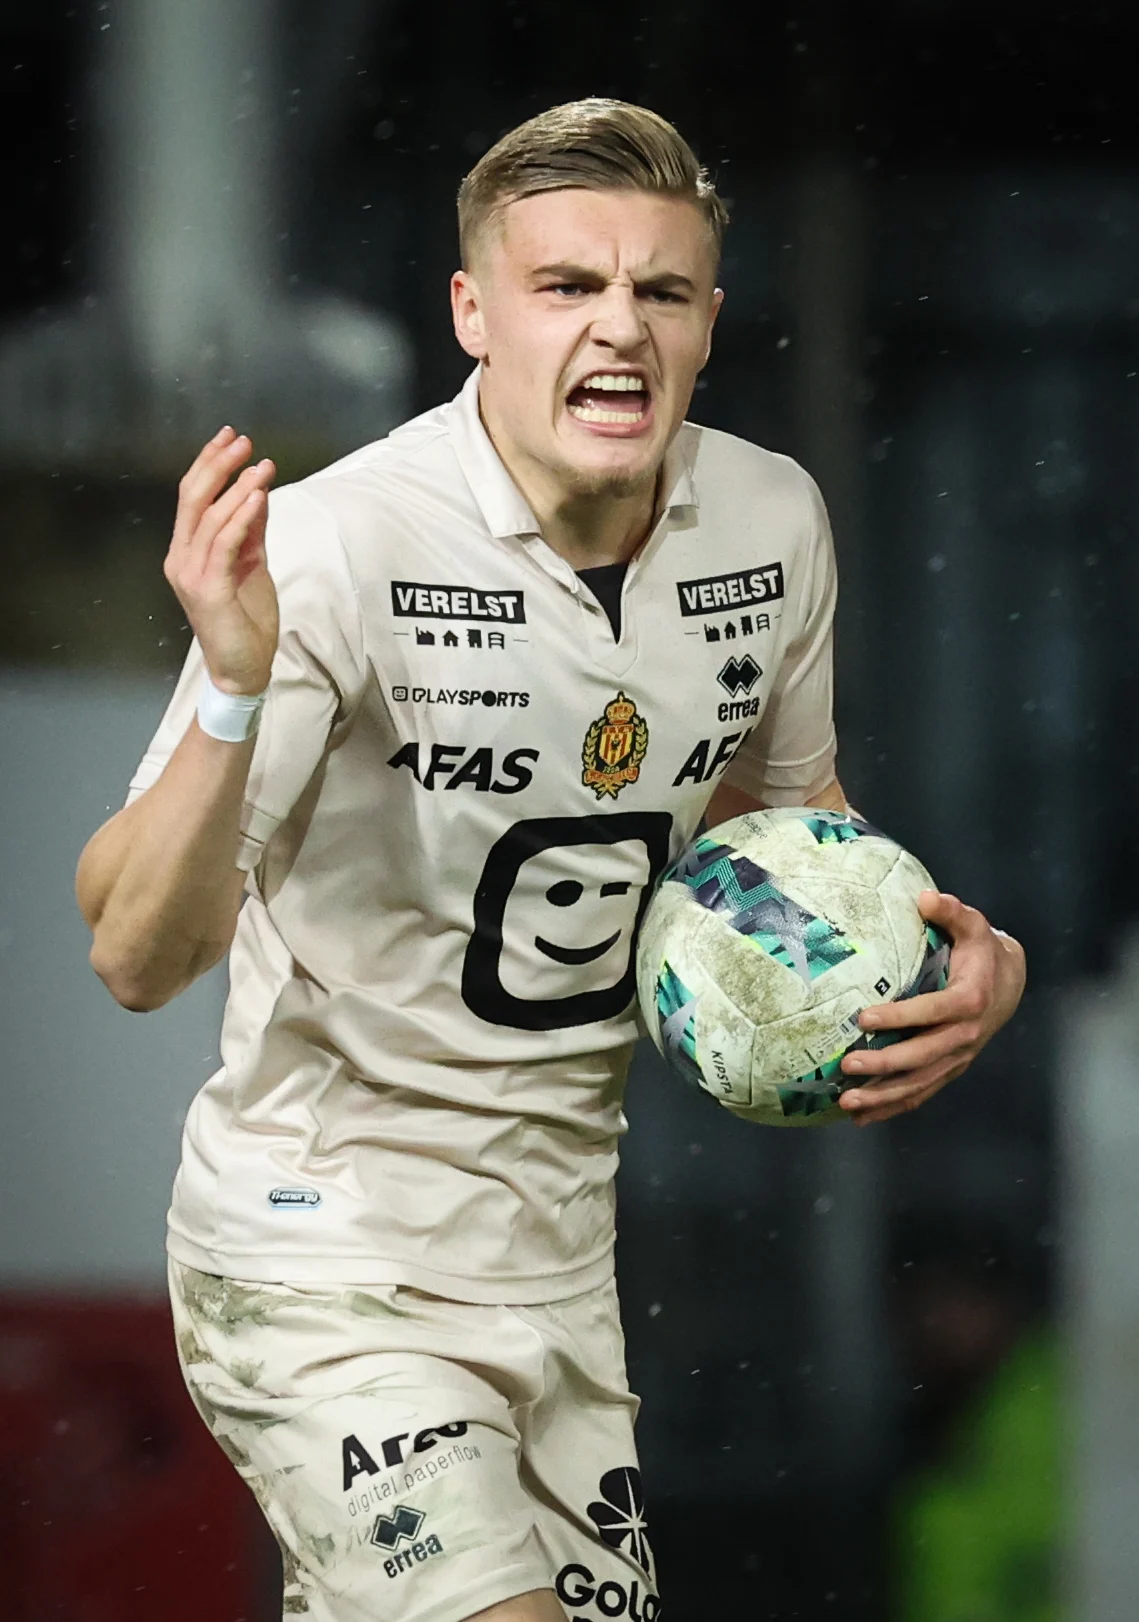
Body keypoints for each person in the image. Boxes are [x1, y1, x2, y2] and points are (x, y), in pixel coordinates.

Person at [76, 99, 1025, 1622]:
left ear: (711, 319)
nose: (619, 329)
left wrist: (951, 958)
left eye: (659, 289)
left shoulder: (769, 521)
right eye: (565, 286)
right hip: (321, 1256)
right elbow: (132, 950)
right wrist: (238, 686)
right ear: (472, 312)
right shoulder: (338, 548)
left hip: (555, 1266)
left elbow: (783, 840)